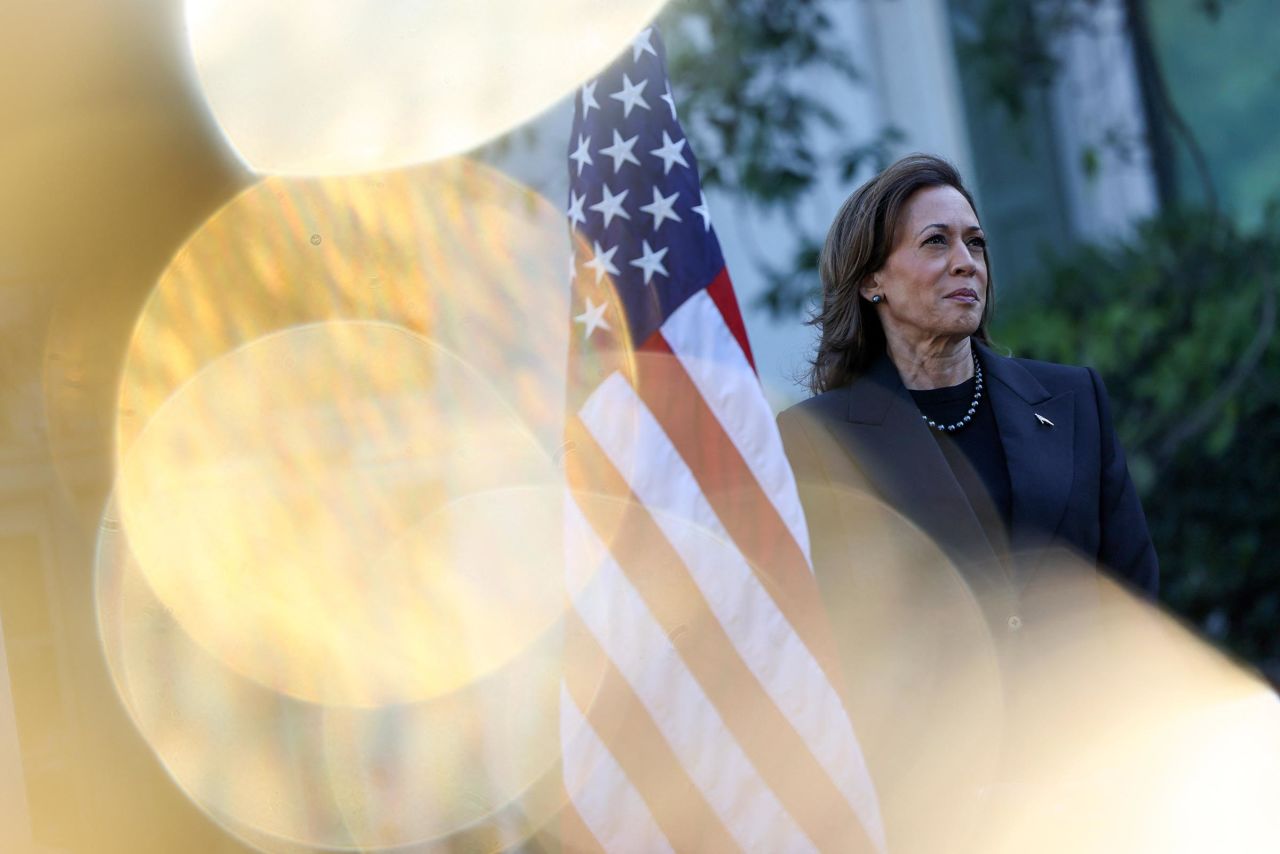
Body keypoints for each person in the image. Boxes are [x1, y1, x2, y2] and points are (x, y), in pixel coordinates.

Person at [777, 152, 1160, 850]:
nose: (967, 261)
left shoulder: (1073, 401)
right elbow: (818, 645)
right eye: (936, 242)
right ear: (871, 281)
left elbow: (1131, 592)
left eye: (975, 242)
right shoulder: (815, 444)